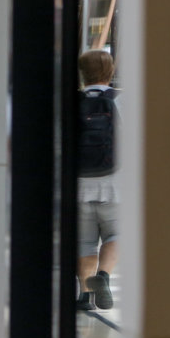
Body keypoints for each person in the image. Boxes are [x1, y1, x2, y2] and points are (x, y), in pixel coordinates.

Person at [76, 50, 119, 310]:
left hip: (78, 186)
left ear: (82, 73)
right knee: (117, 234)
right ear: (111, 71)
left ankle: (85, 295)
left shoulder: (71, 102)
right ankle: (102, 276)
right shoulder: (124, 101)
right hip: (116, 186)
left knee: (84, 241)